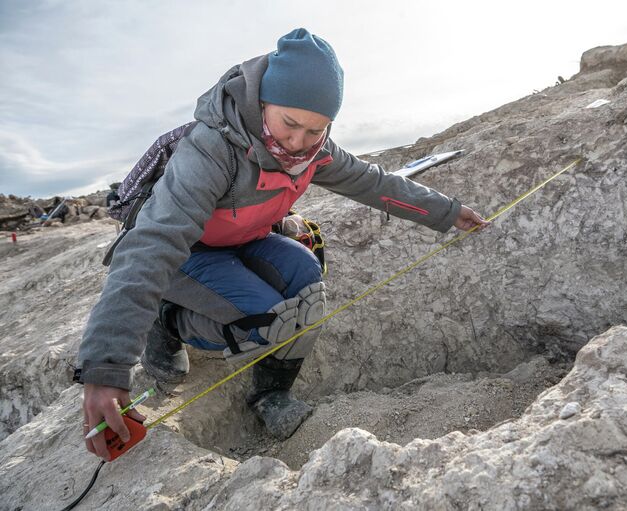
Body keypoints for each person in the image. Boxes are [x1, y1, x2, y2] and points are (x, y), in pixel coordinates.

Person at [76, 28, 489, 460]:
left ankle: (270, 396)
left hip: (245, 240)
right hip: (186, 255)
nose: (298, 143)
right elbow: (153, 243)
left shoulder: (316, 150)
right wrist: (106, 368)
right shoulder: (212, 148)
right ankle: (168, 320)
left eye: (316, 130)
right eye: (289, 123)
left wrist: (446, 211)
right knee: (264, 319)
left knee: (307, 289)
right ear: (263, 102)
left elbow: (372, 181)